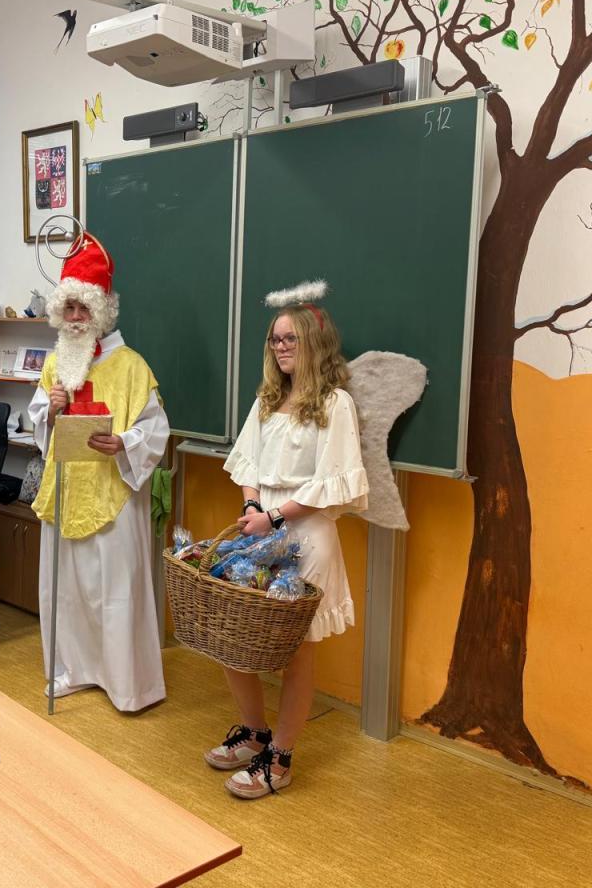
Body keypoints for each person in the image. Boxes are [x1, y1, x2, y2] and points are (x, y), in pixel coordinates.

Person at [209, 285, 368, 798]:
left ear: (314, 343)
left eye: (290, 338)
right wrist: (253, 508)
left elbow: (332, 483)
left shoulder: (335, 404)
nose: (280, 347)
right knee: (237, 636)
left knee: (295, 651)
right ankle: (255, 733)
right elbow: (247, 464)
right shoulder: (267, 400)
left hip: (306, 534)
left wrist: (274, 516)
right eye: (274, 339)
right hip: (260, 529)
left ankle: (280, 757)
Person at [27, 232, 170, 712]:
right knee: (67, 592)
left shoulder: (131, 366)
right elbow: (38, 425)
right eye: (67, 308)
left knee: (114, 593)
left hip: (113, 495)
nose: (74, 317)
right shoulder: (55, 364)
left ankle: (127, 684)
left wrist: (124, 443)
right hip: (66, 491)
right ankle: (71, 671)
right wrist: (50, 410)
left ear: (102, 311)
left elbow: (156, 429)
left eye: (82, 308)